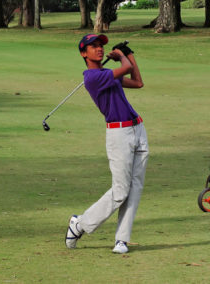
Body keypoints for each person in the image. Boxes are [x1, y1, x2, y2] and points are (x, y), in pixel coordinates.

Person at [65, 34, 149, 254]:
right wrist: (122, 56)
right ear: (84, 53)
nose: (99, 49)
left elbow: (138, 82)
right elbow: (126, 68)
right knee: (121, 190)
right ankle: (80, 224)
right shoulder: (92, 77)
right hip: (119, 134)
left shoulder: (105, 74)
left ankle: (122, 239)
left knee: (135, 188)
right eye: (93, 46)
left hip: (138, 128)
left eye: (101, 46)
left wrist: (128, 55)